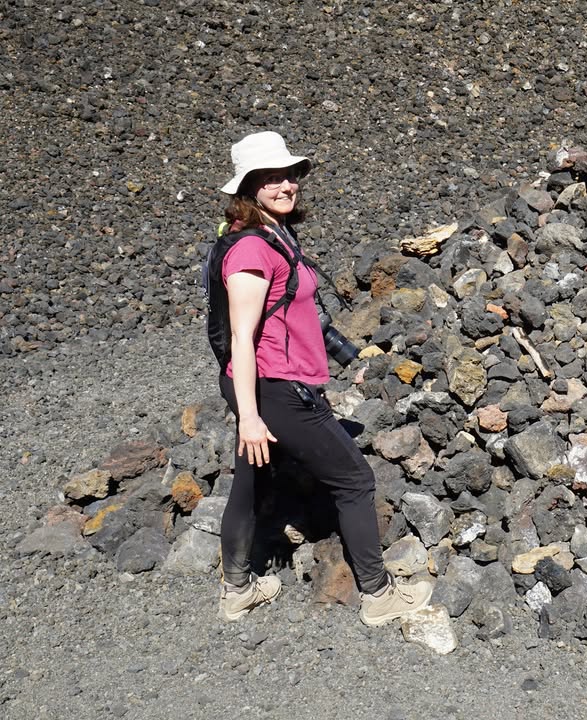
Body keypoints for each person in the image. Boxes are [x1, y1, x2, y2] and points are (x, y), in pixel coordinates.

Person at [211, 131, 432, 624]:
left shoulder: (275, 235)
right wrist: (249, 415)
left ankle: (237, 591)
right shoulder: (251, 251)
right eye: (270, 178)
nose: (285, 185)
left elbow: (300, 313)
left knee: (251, 480)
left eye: (289, 175)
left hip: (270, 383)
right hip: (273, 388)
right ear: (247, 188)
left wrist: (351, 355)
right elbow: (243, 337)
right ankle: (378, 596)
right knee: (355, 480)